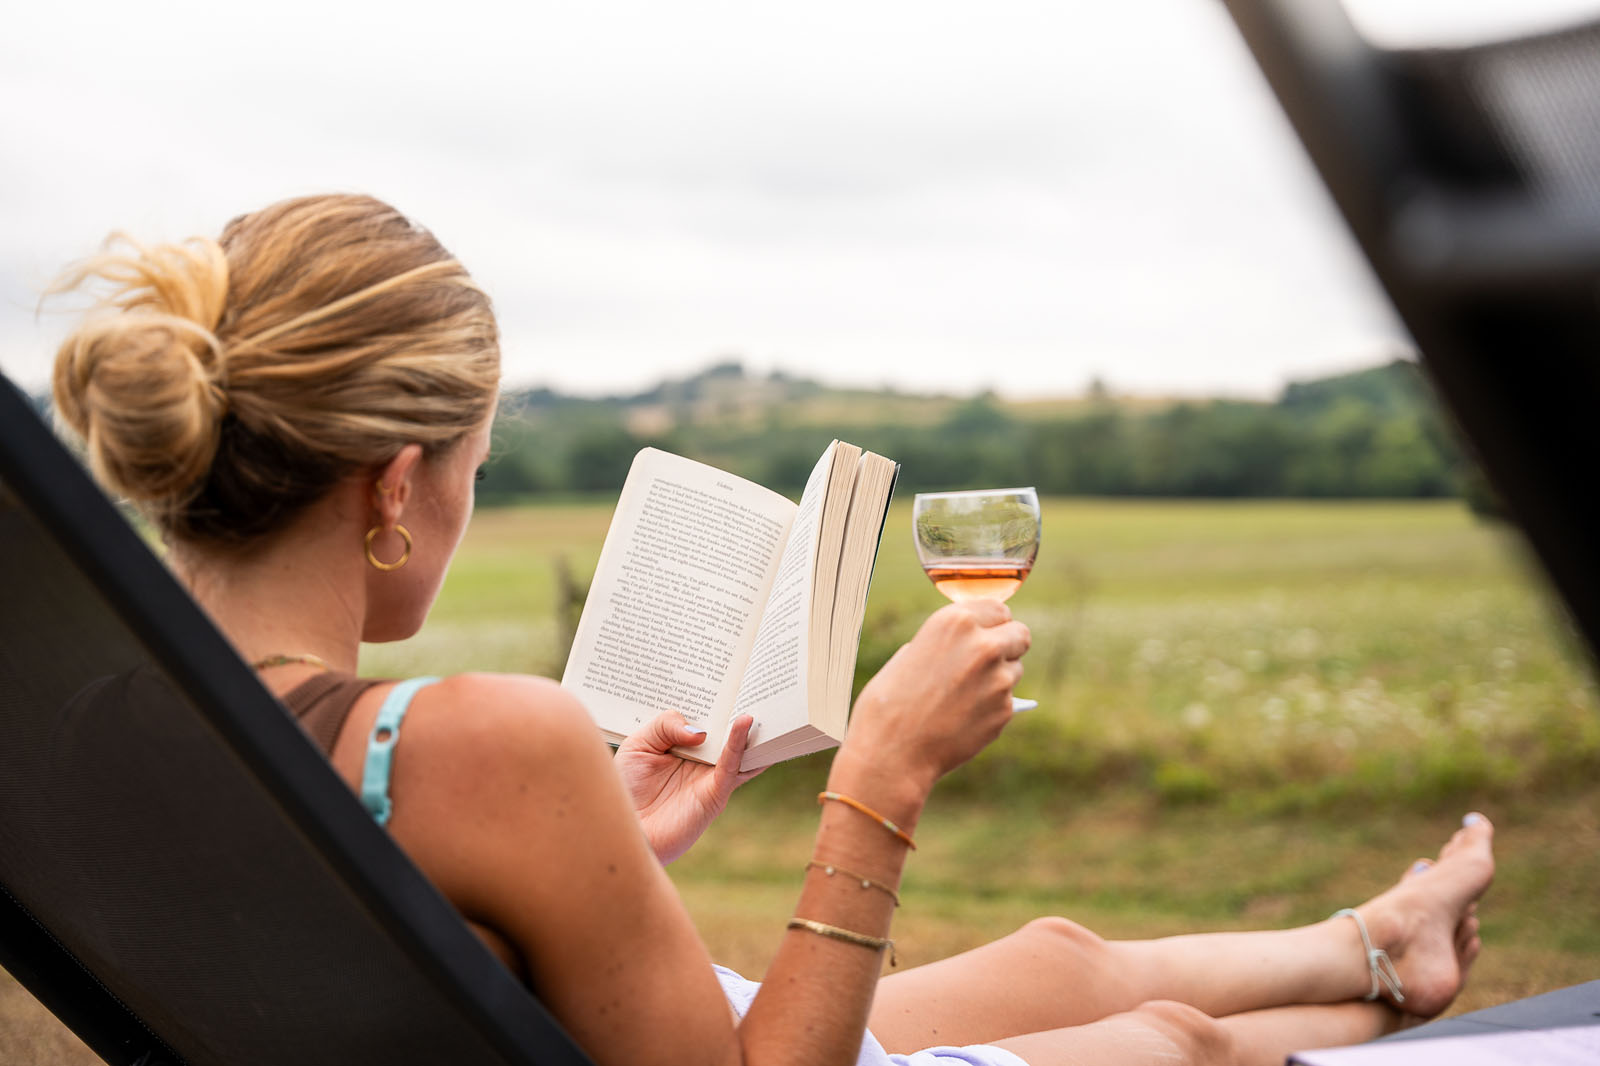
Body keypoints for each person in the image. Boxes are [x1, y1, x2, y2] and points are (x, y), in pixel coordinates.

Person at [48, 192, 1496, 1066]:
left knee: (1060, 957)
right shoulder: (472, 737)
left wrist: (595, 845)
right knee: (1168, 1042)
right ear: (393, 487)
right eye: (476, 469)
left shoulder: (89, 729)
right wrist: (882, 779)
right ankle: (1418, 1006)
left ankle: (1381, 945)